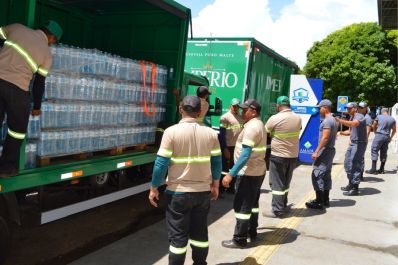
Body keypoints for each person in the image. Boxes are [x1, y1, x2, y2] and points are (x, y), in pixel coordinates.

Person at [148, 96, 222, 265]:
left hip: (178, 193)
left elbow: (161, 163)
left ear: (181, 109)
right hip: (202, 192)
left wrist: (154, 187)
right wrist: (216, 184)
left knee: (178, 239)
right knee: (200, 234)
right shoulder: (211, 133)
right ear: (199, 112)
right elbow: (217, 162)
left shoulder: (171, 132)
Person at [0, 20, 62, 177]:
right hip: (18, 89)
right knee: (17, 130)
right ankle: (6, 167)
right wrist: (36, 107)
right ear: (52, 37)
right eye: (54, 41)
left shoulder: (17, 28)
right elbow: (38, 84)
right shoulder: (47, 55)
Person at [221, 99, 266, 248]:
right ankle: (251, 231)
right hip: (257, 171)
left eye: (244, 110)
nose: (241, 112)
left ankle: (239, 238)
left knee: (242, 207)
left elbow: (245, 155)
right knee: (252, 204)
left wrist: (231, 174)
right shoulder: (258, 124)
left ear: (253, 112)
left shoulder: (252, 128)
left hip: (248, 172)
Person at [263, 96, 301, 218]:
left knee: (277, 184)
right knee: (285, 182)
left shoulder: (275, 118)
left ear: (278, 106)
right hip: (293, 155)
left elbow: (265, 132)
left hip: (278, 155)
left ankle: (277, 210)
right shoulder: (297, 118)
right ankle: (283, 205)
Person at [305, 99, 338, 209]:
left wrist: (316, 151)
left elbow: (325, 138)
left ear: (325, 108)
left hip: (325, 150)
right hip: (330, 150)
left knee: (317, 174)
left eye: (320, 108)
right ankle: (325, 200)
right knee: (326, 175)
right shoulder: (333, 119)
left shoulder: (327, 121)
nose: (319, 110)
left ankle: (319, 201)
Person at [335, 102, 367, 196]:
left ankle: (355, 188)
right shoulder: (352, 117)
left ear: (355, 108)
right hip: (353, 143)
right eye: (347, 108)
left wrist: (340, 121)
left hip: (359, 144)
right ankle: (351, 183)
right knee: (347, 163)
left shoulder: (359, 116)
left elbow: (354, 124)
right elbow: (350, 131)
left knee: (355, 164)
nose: (348, 110)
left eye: (349, 108)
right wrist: (340, 133)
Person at [219, 98, 244, 194]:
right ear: (230, 106)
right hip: (228, 146)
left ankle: (230, 188)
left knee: (234, 167)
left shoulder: (241, 117)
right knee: (225, 168)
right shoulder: (225, 117)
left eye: (237, 106)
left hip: (237, 146)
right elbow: (222, 134)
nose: (235, 108)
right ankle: (221, 189)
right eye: (234, 106)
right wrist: (224, 148)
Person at [365, 108, 396, 174]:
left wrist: (375, 132)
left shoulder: (379, 116)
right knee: (384, 152)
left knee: (374, 150)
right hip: (387, 136)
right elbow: (394, 129)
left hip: (379, 135)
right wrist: (390, 137)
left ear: (382, 112)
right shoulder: (392, 119)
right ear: (387, 112)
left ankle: (373, 169)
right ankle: (382, 169)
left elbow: (374, 125)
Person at [358, 102, 373, 180]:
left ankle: (360, 175)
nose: (359, 109)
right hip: (358, 140)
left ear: (365, 109)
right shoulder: (360, 116)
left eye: (361, 107)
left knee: (360, 158)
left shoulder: (367, 118)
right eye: (359, 107)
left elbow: (368, 131)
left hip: (362, 141)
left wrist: (364, 141)